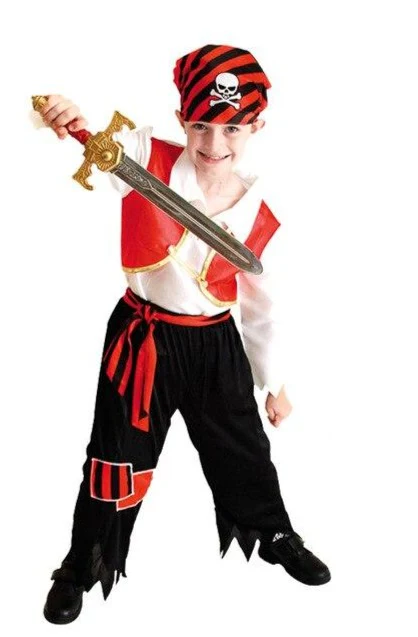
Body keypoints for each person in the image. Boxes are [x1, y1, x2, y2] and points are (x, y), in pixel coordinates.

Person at [39, 44, 330, 625]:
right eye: (200, 126)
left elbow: (262, 308)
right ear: (181, 120)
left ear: (256, 127)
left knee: (243, 448)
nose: (213, 143)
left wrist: (273, 382)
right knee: (115, 453)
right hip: (142, 337)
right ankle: (82, 564)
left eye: (231, 128)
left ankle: (274, 535)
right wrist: (62, 117)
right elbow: (94, 150)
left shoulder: (258, 215)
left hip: (215, 344)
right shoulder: (141, 156)